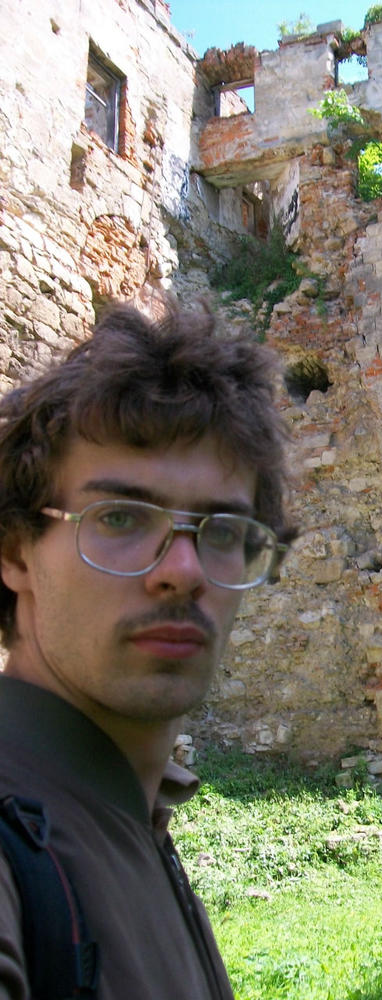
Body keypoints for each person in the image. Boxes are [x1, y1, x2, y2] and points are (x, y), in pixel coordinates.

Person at [0, 299, 295, 999]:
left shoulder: (132, 816)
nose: (184, 571)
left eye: (224, 530)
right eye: (122, 518)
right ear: (14, 552)